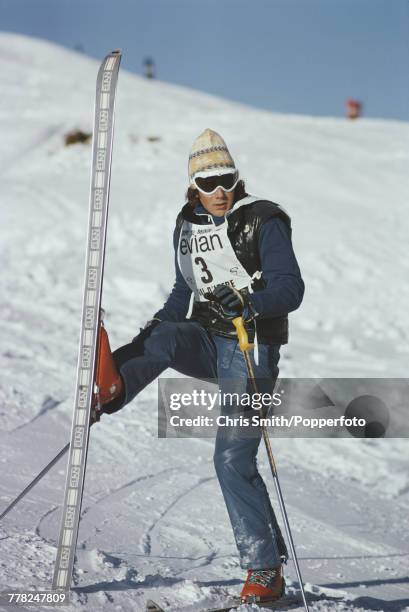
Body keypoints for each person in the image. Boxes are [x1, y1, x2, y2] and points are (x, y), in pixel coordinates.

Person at [93, 129, 305, 604]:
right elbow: (179, 295)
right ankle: (111, 387)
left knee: (232, 459)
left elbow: (291, 289)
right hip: (208, 338)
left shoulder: (264, 220)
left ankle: (265, 572)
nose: (218, 191)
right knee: (164, 335)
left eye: (226, 179)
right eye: (207, 183)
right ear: (193, 186)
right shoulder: (186, 223)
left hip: (251, 347)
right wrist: (149, 334)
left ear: (237, 178)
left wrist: (250, 301)